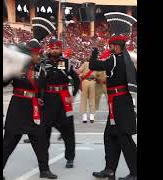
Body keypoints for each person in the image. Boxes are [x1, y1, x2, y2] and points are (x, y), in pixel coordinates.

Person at [3, 17, 58, 180]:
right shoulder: (17, 65)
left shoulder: (41, 69)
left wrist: (42, 99)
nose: (38, 56)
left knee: (40, 141)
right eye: (36, 54)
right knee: (8, 143)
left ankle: (44, 170)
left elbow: (43, 88)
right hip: (17, 107)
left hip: (34, 108)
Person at [90, 12, 137, 180]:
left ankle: (134, 171)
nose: (109, 48)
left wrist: (95, 49)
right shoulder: (126, 59)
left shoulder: (115, 59)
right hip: (119, 103)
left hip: (118, 104)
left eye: (111, 45)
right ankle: (110, 169)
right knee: (111, 136)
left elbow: (93, 64)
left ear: (116, 47)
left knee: (123, 138)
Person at [41, 38, 80, 168]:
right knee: (44, 131)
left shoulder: (66, 63)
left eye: (57, 48)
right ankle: (43, 158)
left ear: (60, 49)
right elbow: (39, 82)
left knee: (68, 130)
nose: (54, 50)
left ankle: (70, 158)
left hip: (63, 99)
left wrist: (73, 94)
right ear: (49, 49)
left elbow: (76, 79)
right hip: (47, 99)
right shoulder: (43, 63)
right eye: (52, 48)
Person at [78, 58, 97, 123]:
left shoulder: (85, 64)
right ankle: (92, 117)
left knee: (84, 99)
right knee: (92, 99)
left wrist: (80, 76)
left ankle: (84, 117)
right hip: (93, 82)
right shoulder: (95, 65)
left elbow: (79, 71)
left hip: (85, 81)